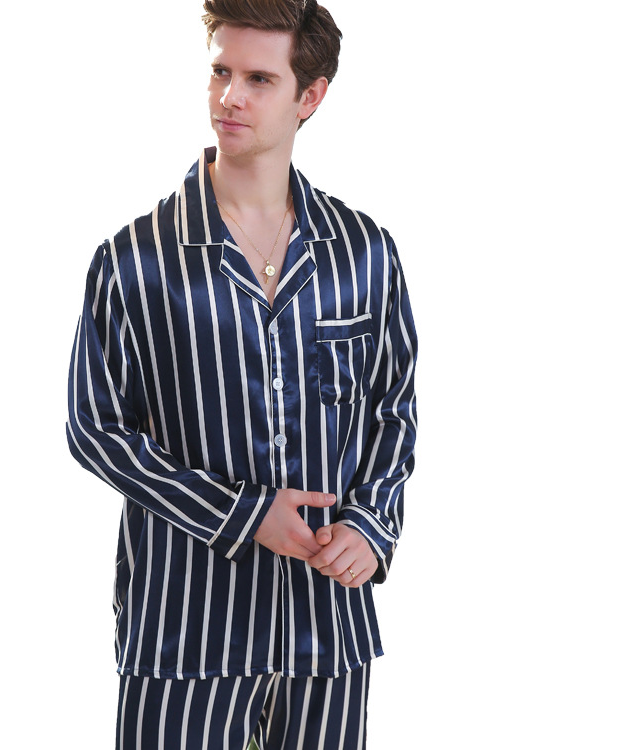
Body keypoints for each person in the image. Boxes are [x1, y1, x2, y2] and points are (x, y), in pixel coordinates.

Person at [66, 1, 417, 747]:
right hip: (187, 634)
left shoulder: (364, 254)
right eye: (220, 72)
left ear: (310, 97)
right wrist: (242, 515)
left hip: (327, 627)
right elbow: (94, 429)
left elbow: (393, 408)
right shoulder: (136, 260)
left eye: (259, 79)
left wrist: (372, 524)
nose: (230, 96)